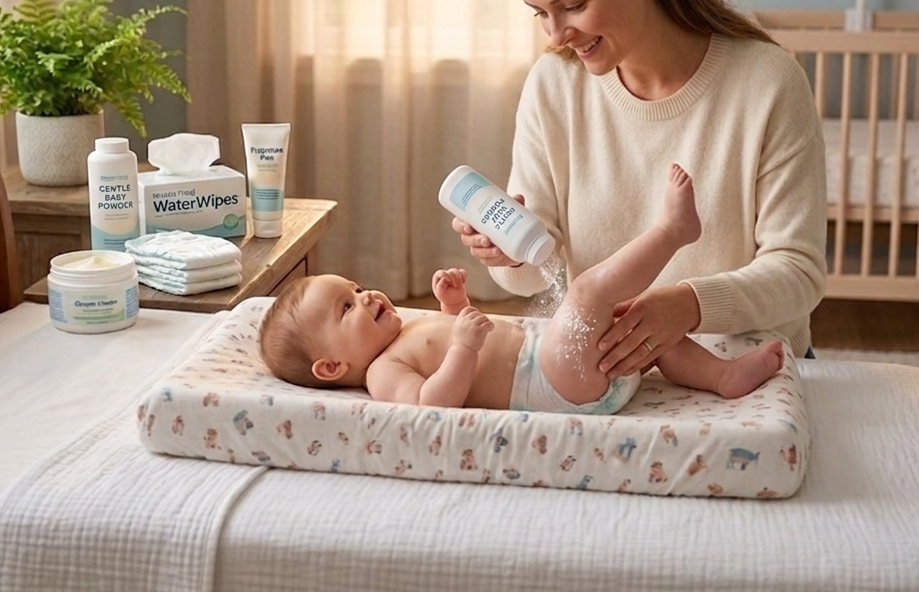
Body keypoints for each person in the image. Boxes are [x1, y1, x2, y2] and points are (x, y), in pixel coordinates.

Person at [452, 0, 827, 378]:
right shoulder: (553, 86)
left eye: (574, 5)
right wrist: (511, 255)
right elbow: (541, 277)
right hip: (609, 376)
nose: (556, 34)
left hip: (749, 369)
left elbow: (798, 272)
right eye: (539, 12)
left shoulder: (767, 82)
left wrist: (689, 305)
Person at [260, 165, 785, 411]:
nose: (368, 295)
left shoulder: (406, 333)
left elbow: (461, 340)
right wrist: (462, 347)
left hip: (564, 365)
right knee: (584, 298)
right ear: (330, 367)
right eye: (346, 306)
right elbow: (433, 403)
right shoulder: (381, 373)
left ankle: (723, 376)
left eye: (356, 286)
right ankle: (672, 232)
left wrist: (453, 307)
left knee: (639, 320)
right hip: (555, 387)